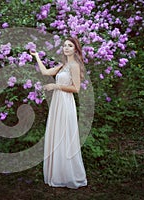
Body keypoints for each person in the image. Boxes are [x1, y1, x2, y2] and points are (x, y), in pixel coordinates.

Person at [30, 37, 87, 189]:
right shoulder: (64, 65)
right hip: (58, 102)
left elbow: (76, 89)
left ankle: (69, 174)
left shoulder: (74, 65)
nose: (66, 48)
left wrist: (56, 86)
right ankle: (59, 173)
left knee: (64, 135)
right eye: (64, 45)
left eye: (70, 46)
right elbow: (45, 72)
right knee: (57, 135)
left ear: (75, 49)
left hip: (66, 102)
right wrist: (36, 57)